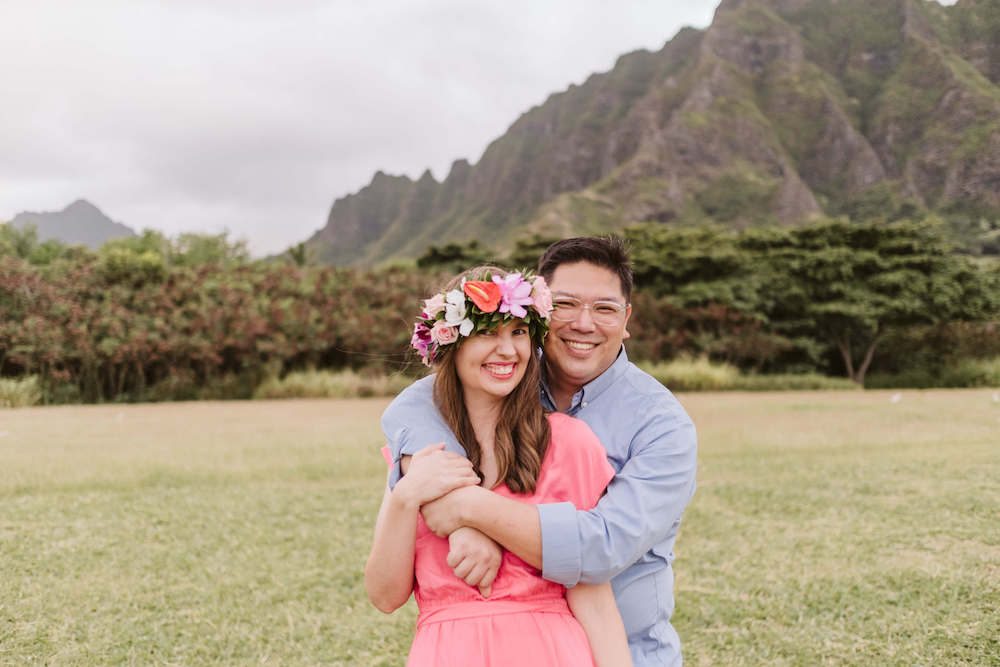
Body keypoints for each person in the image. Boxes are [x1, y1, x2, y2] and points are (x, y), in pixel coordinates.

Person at [381, 237, 698, 666]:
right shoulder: (499, 384)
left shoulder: (661, 425)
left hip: (627, 650)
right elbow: (418, 403)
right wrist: (429, 503)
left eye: (604, 308)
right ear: (543, 312)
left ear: (626, 319)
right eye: (566, 304)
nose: (584, 323)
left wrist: (468, 509)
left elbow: (598, 552)